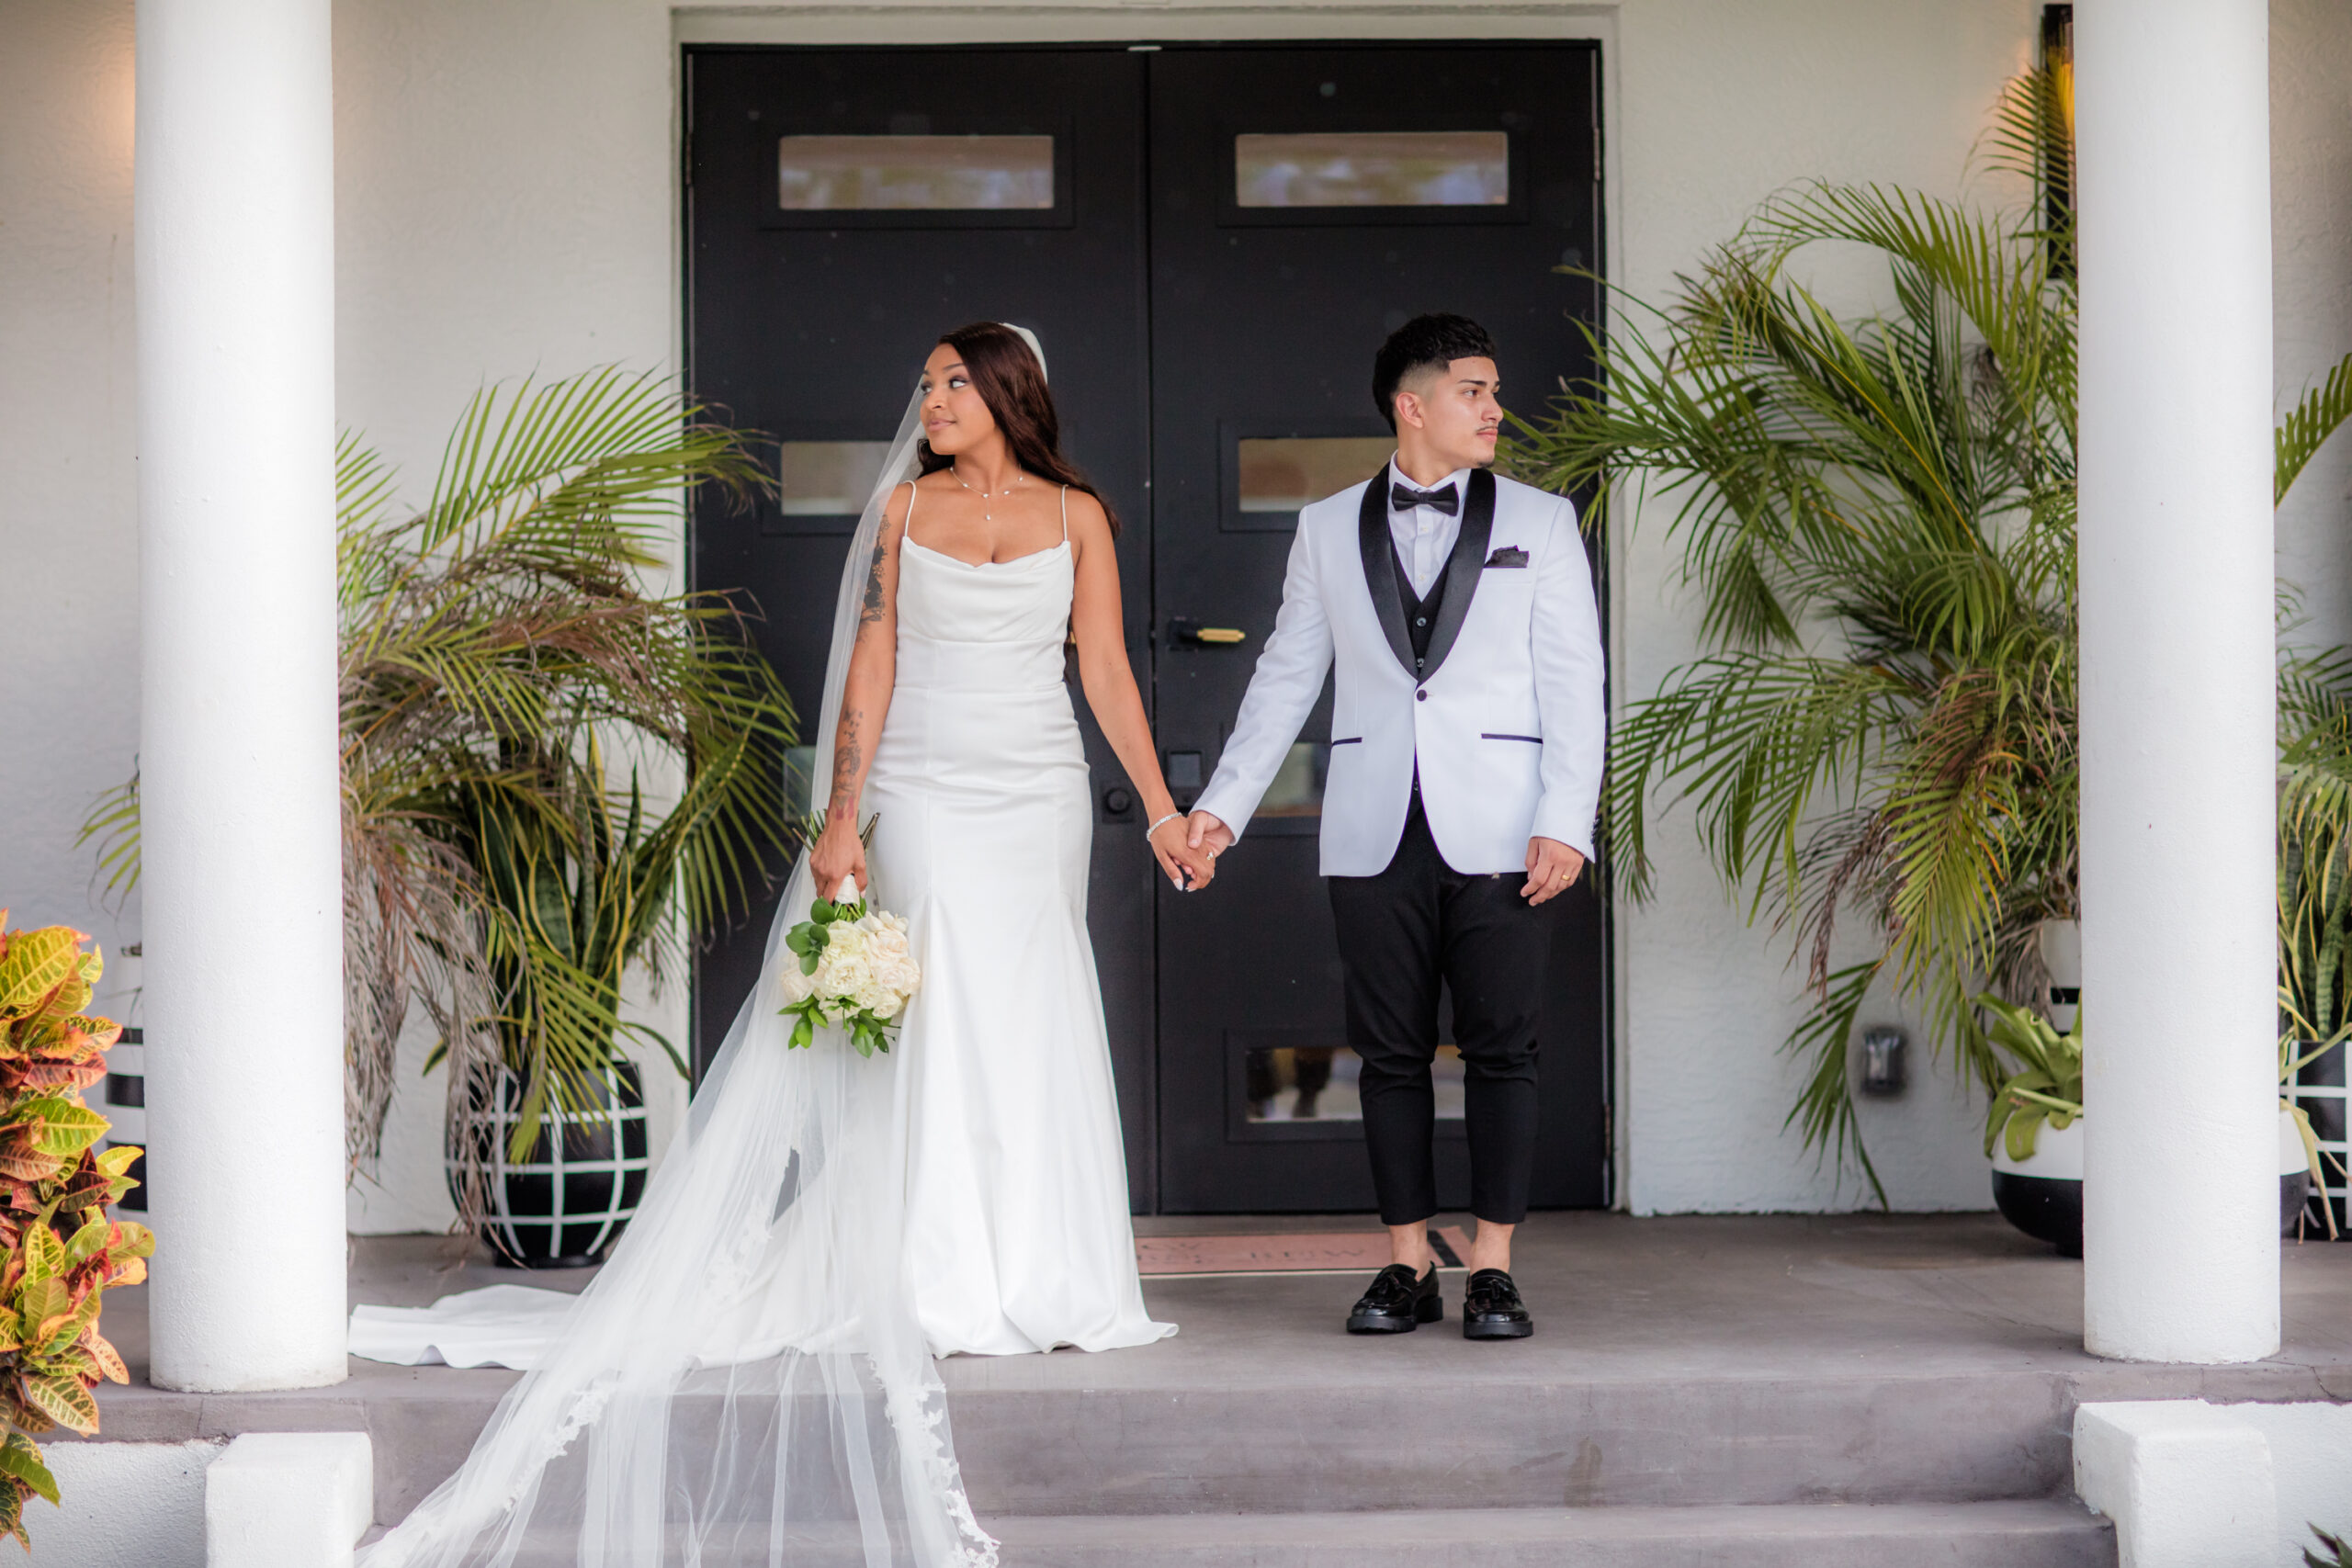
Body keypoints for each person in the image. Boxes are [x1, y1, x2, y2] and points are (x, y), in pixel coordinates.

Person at [354, 322, 1198, 1568]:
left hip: (1038, 793)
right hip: (921, 789)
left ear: (1009, 392)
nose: (931, 401)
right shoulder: (905, 512)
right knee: (943, 999)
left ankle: (1051, 1267)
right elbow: (871, 669)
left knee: (1032, 1003)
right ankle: (934, 1269)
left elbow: (1108, 673)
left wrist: (1166, 810)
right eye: (925, 385)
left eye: (952, 383)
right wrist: (843, 813)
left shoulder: (1079, 518)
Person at [1185, 313, 1605, 1342]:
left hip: (1507, 827)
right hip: (1374, 825)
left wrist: (1568, 820)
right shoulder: (1326, 527)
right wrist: (1221, 809)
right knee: (1389, 1055)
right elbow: (1287, 674)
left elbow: (1575, 683)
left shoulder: (1542, 522)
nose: (1495, 409)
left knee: (1505, 1049)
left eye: (1494, 391)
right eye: (1474, 390)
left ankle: (1493, 1268)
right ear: (1410, 404)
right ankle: (1405, 1262)